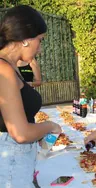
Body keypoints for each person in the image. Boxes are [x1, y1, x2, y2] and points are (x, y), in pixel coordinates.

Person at [0, 5, 62, 187]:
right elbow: (20, 133)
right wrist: (50, 126)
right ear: (26, 39)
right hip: (10, 163)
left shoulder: (10, 67)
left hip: (16, 160)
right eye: (40, 40)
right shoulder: (3, 70)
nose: (40, 49)